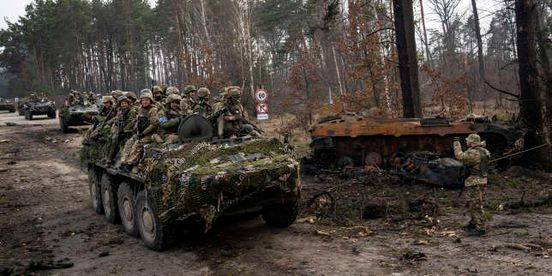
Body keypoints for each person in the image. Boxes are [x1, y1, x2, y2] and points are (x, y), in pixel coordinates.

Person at [454, 133, 491, 236]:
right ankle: (473, 223)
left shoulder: (474, 153)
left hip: (475, 181)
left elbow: (459, 156)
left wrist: (456, 143)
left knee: (476, 205)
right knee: (472, 203)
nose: (466, 142)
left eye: (468, 141)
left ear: (472, 142)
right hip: (481, 180)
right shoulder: (484, 151)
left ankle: (480, 228)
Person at [119, 90, 159, 171]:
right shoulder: (141, 109)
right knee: (129, 142)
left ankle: (130, 164)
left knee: (138, 145)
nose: (145, 102)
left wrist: (143, 133)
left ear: (150, 100)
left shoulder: (153, 110)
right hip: (140, 132)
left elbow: (153, 125)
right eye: (143, 100)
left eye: (147, 100)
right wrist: (136, 131)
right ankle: (123, 162)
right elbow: (138, 121)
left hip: (149, 134)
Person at [105, 95, 137, 163]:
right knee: (111, 137)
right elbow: (117, 118)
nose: (124, 105)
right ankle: (107, 154)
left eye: (125, 103)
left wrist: (123, 131)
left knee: (115, 138)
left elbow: (131, 123)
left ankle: (110, 157)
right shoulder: (121, 111)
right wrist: (111, 122)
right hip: (122, 130)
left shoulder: (132, 111)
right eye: (122, 104)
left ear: (128, 104)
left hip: (129, 131)